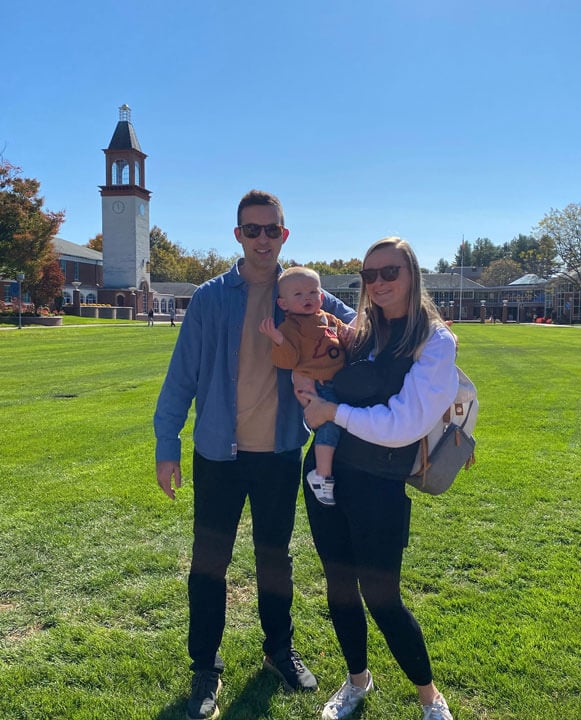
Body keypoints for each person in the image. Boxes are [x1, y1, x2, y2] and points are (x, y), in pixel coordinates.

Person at [153, 190, 355, 720]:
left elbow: (368, 328)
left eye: (271, 230)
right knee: (209, 562)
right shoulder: (210, 297)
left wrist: (430, 333)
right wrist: (166, 444)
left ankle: (277, 651)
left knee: (275, 559)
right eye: (252, 230)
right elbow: (182, 377)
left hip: (280, 452)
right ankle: (204, 665)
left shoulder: (304, 292)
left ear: (284, 235)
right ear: (237, 235)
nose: (262, 239)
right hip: (218, 453)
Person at [300, 237, 459, 720]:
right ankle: (356, 681)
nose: (379, 282)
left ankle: (429, 696)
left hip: (380, 484)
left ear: (412, 274)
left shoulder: (434, 341)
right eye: (369, 275)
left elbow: (402, 425)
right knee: (340, 586)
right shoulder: (359, 332)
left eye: (390, 271)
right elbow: (317, 393)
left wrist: (334, 412)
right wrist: (314, 401)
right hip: (326, 477)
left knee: (383, 596)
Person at [259, 266, 354, 506]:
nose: (307, 298)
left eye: (313, 292)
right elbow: (288, 361)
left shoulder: (329, 318)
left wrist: (351, 334)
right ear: (283, 304)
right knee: (330, 426)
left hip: (338, 384)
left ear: (322, 297)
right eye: (298, 295)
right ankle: (321, 475)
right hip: (318, 386)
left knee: (345, 423)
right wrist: (278, 339)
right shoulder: (291, 327)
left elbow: (345, 336)